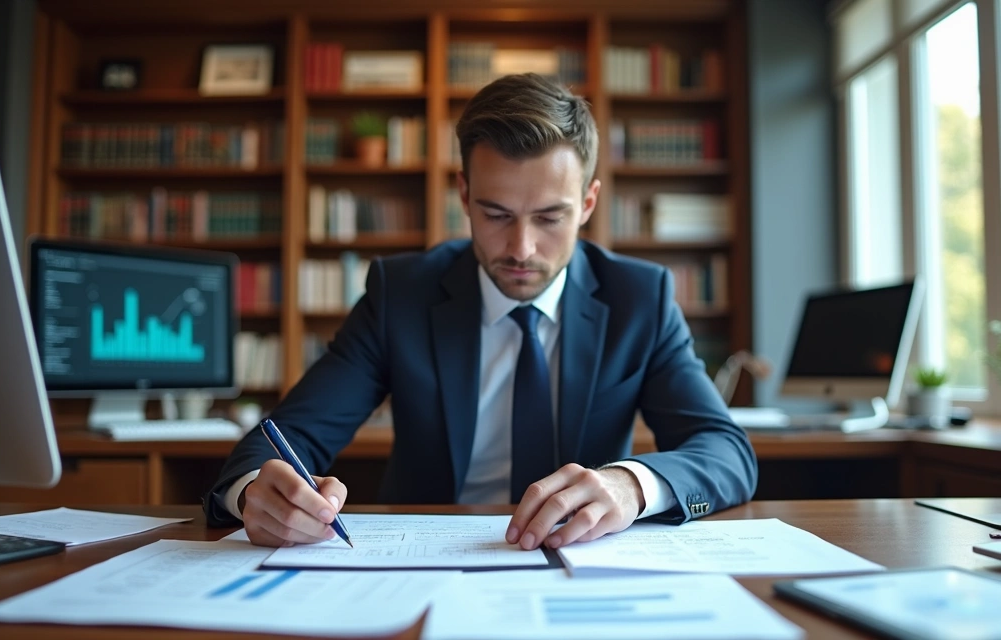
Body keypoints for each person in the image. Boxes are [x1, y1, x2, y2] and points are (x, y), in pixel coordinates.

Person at [203, 73, 758, 550]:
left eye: (549, 217)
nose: (521, 248)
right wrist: (254, 494)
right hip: (426, 560)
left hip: (581, 560)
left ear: (588, 203)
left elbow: (727, 452)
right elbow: (284, 437)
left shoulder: (639, 298)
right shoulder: (402, 294)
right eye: (496, 214)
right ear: (464, 196)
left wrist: (630, 486)